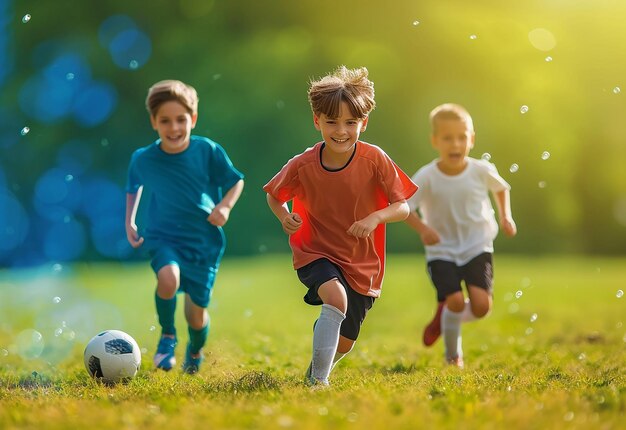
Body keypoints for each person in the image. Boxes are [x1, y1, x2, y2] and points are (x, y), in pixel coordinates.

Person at [264, 66, 418, 386]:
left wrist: (375, 218)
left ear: (363, 122)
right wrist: (284, 217)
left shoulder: (375, 159)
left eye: (350, 122)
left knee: (347, 340)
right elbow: (275, 196)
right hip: (314, 250)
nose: (341, 131)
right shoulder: (303, 164)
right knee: (336, 298)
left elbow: (402, 206)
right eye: (331, 121)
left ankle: (318, 367)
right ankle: (318, 383)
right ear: (317, 120)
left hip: (363, 263)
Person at [125, 80, 244, 374]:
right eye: (165, 120)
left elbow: (236, 181)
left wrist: (225, 206)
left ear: (193, 119)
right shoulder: (143, 158)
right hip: (163, 236)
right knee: (168, 279)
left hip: (203, 241)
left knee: (196, 315)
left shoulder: (207, 150)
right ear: (154, 122)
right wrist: (129, 220)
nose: (174, 127)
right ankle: (167, 335)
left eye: (181, 119)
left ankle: (195, 349)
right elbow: (133, 186)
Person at [405, 103, 516, 368]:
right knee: (455, 301)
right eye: (447, 138)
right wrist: (423, 229)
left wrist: (505, 216)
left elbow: (501, 189)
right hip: (441, 250)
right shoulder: (427, 175)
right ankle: (453, 356)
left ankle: (444, 319)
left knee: (481, 307)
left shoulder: (481, 170)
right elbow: (404, 207)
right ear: (435, 141)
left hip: (477, 245)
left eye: (461, 137)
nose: (455, 144)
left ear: (472, 139)